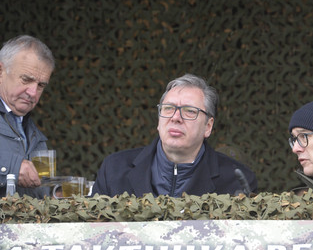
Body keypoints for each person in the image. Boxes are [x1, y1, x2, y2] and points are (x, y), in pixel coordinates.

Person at [92, 74, 258, 197]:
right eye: (169, 108)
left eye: (189, 111)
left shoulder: (236, 180)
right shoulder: (114, 169)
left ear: (208, 126)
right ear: (158, 119)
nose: (176, 117)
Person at [0, 35, 55, 198]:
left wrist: (55, 195)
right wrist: (13, 167)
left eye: (40, 85)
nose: (32, 92)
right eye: (26, 79)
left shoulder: (33, 133)